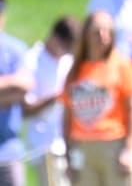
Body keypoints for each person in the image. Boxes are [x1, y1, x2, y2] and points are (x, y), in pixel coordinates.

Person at [59, 10, 132, 186]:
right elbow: (67, 116)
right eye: (97, 31)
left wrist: (130, 147)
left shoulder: (122, 65)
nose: (103, 37)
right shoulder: (75, 70)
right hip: (82, 146)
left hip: (114, 144)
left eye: (108, 31)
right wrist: (68, 152)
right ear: (86, 35)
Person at [22, 14, 80, 186]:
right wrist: (57, 97)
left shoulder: (68, 61)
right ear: (55, 38)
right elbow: (26, 110)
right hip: (45, 144)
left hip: (72, 143)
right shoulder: (31, 60)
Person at [0, 0, 33, 186]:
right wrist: (8, 88)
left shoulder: (14, 47)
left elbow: (24, 85)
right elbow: (16, 86)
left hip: (9, 150)